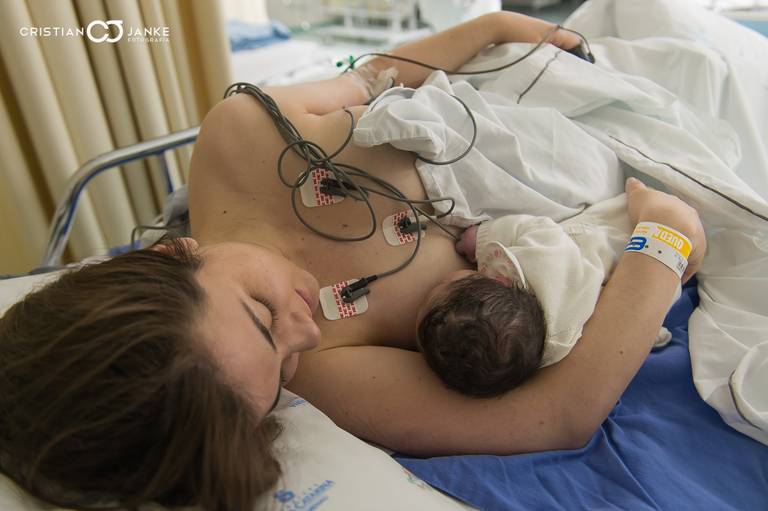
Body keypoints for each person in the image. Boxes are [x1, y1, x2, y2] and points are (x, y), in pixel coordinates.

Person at [0, 11, 706, 511]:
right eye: (281, 368)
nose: (304, 331)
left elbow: (370, 76)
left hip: (545, 103)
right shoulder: (330, 370)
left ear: (175, 251)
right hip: (632, 195)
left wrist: (494, 29)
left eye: (261, 314)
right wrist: (665, 242)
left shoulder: (239, 133)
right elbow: (556, 415)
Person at [417, 194, 680, 398]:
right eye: (442, 283)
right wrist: (481, 237)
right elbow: (536, 227)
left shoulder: (547, 350)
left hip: (650, 291)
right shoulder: (538, 259)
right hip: (628, 242)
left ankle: (653, 330)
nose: (440, 280)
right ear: (499, 279)